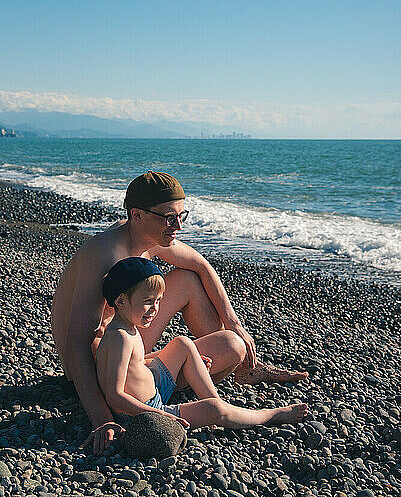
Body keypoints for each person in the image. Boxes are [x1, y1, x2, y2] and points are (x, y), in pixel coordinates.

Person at [51, 171, 307, 454]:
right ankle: (196, 398)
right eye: (169, 217)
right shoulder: (104, 254)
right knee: (184, 301)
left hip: (134, 352)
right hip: (103, 366)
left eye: (181, 216)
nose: (178, 226)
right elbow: (76, 344)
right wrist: (103, 421)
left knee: (225, 335)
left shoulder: (151, 238)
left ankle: (239, 371)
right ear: (136, 215)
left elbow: (203, 266)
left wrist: (234, 324)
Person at [88, 257, 307, 451]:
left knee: (183, 343)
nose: (155, 308)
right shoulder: (119, 337)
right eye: (148, 302)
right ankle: (269, 415)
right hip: (144, 410)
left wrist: (188, 358)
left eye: (158, 301)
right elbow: (114, 394)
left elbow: (135, 363)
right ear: (121, 301)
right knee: (213, 410)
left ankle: (217, 401)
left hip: (154, 383)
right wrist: (160, 415)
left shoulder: (128, 326)